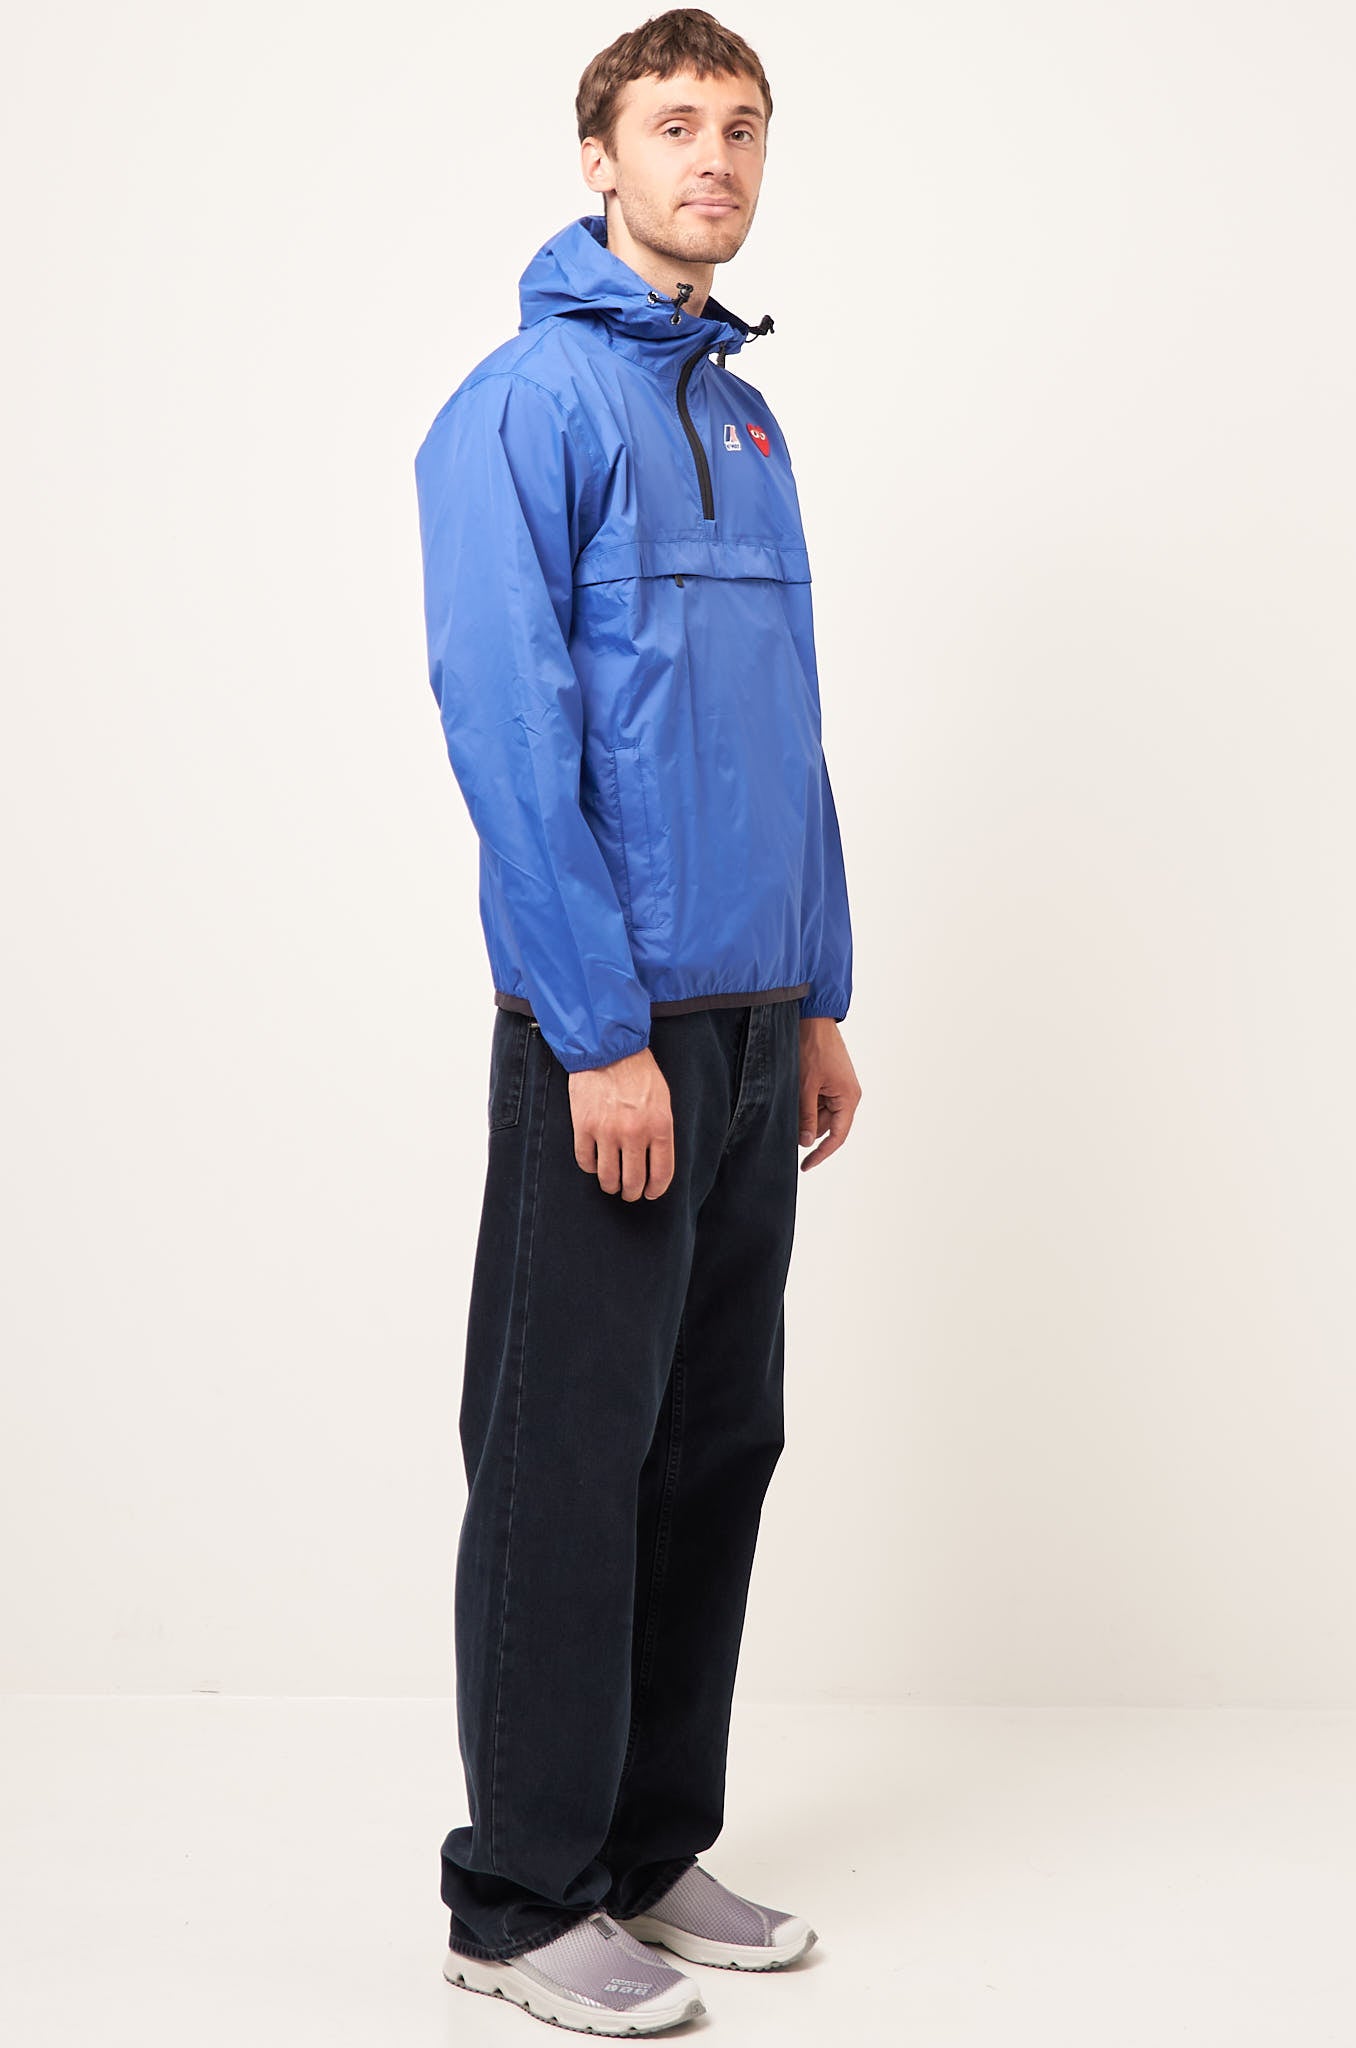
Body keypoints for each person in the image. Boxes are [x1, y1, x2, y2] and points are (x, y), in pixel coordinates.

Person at [413, 8, 861, 2033]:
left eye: (742, 125)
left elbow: (787, 729)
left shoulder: (747, 422)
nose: (715, 156)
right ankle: (517, 1899)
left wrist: (818, 993)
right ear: (598, 156)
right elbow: (508, 733)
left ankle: (648, 1843)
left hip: (754, 1023)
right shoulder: (525, 405)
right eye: (676, 122)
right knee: (566, 1454)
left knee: (710, 1443)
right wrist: (595, 1030)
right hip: (613, 1029)